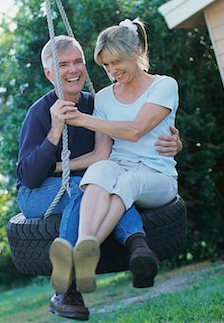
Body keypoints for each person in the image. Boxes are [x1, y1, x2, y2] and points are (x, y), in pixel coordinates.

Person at [16, 35, 182, 321]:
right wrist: (55, 132)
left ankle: (116, 255)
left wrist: (175, 143)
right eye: (63, 64)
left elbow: (117, 146)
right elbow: (29, 177)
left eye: (78, 61)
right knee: (89, 186)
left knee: (101, 182)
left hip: (94, 182)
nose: (73, 69)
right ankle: (69, 289)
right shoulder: (40, 112)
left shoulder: (96, 102)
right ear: (49, 73)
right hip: (39, 193)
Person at [53, 18, 180, 296]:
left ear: (135, 53)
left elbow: (135, 131)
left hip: (157, 177)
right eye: (106, 66)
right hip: (119, 166)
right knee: (98, 171)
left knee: (128, 182)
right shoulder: (105, 98)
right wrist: (60, 166)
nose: (112, 72)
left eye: (116, 63)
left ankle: (85, 252)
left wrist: (83, 120)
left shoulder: (164, 86)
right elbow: (102, 152)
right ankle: (84, 251)